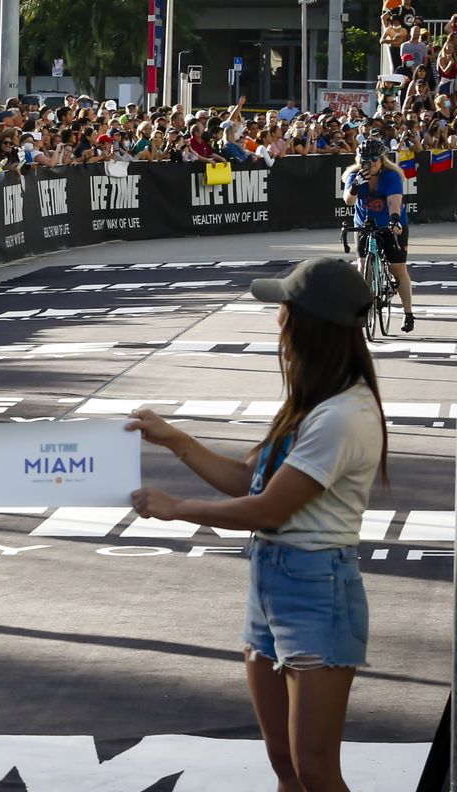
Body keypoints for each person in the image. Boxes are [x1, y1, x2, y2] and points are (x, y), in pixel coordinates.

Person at [129, 257, 388, 792]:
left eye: (284, 309)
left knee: (316, 771)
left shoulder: (342, 415)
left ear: (306, 324)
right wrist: (175, 439)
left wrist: (176, 509)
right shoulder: (315, 400)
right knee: (286, 767)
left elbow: (269, 509)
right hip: (272, 585)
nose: (277, 320)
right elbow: (249, 477)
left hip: (317, 591)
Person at [343, 140, 414, 332]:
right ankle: (363, 308)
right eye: (366, 161)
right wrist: (356, 186)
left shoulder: (391, 175)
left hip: (391, 223)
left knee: (397, 268)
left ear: (382, 160)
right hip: (365, 224)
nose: (371, 165)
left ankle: (408, 313)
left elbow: (394, 202)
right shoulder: (354, 175)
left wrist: (395, 219)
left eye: (375, 161)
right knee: (363, 265)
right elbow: (348, 201)